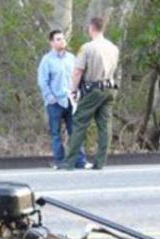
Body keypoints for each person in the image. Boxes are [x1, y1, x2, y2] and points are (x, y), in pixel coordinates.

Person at [63, 17, 119, 171]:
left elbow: (78, 71)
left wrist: (73, 90)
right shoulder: (113, 48)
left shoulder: (87, 48)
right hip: (110, 88)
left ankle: (69, 162)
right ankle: (100, 162)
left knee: (80, 123)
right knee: (105, 125)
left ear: (91, 28)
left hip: (93, 89)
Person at [37, 30, 89, 169]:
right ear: (52, 42)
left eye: (63, 38)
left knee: (75, 131)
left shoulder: (71, 58)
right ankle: (60, 161)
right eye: (58, 39)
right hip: (55, 102)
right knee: (56, 133)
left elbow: (78, 76)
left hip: (71, 101)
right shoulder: (46, 60)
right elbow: (43, 81)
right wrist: (50, 98)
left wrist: (78, 93)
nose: (62, 41)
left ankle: (80, 160)